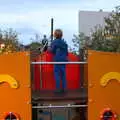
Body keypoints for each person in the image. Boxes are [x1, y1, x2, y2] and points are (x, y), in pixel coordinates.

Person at [49, 29, 68, 93]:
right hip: (64, 60)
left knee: (57, 75)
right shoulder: (64, 43)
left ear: (55, 35)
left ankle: (58, 89)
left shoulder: (54, 42)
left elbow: (52, 51)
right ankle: (64, 89)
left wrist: (49, 49)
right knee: (63, 75)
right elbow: (67, 53)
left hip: (57, 61)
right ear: (61, 35)